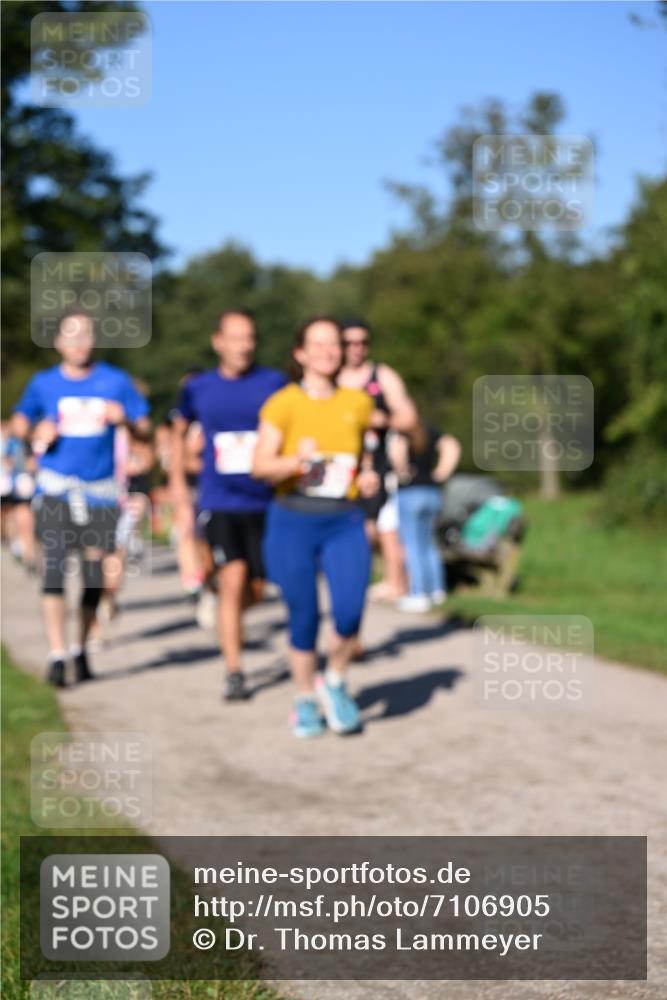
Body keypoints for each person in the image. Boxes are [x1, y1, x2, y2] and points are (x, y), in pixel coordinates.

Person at [252, 316, 379, 738]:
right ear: (300, 353)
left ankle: (336, 681)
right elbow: (259, 466)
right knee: (303, 615)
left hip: (343, 517)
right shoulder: (283, 403)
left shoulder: (357, 403)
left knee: (349, 611)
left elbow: (363, 460)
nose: (328, 351)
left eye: (334, 344)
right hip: (293, 517)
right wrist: (295, 462)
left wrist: (367, 477)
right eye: (318, 344)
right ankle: (304, 698)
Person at [11, 311, 150, 685]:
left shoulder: (115, 381)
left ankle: (81, 647)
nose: (79, 342)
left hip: (101, 493)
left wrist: (124, 419)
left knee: (93, 578)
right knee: (54, 571)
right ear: (57, 342)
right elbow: (20, 421)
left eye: (85, 334)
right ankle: (57, 655)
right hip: (56, 490)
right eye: (71, 335)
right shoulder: (44, 383)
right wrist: (36, 429)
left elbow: (144, 424)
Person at [170, 310, 286, 701]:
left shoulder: (274, 383)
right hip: (219, 500)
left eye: (250, 337)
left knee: (257, 586)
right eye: (235, 338)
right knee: (233, 578)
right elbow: (177, 431)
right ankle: (234, 672)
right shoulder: (198, 388)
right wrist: (177, 485)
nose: (244, 345)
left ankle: (222, 609)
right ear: (217, 341)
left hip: (265, 501)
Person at [337, 318, 417, 602]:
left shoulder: (382, 376)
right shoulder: (329, 377)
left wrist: (384, 419)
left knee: (380, 529)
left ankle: (394, 583)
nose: (356, 348)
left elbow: (409, 417)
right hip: (338, 469)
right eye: (349, 342)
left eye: (363, 342)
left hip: (378, 468)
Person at [390, 420, 461, 612]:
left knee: (412, 544)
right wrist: (441, 472)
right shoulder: (431, 430)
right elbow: (452, 446)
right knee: (429, 543)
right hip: (432, 492)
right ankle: (437, 590)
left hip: (410, 492)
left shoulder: (402, 431)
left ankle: (418, 593)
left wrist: (402, 470)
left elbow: (398, 451)